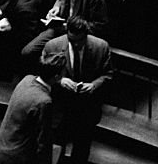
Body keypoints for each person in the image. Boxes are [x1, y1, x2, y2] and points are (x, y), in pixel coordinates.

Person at [44, 17, 114, 164]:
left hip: (86, 108)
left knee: (81, 149)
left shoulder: (100, 47)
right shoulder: (53, 46)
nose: (75, 44)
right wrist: (60, 80)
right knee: (55, 146)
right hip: (61, 107)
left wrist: (94, 85)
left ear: (86, 35)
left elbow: (108, 75)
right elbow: (43, 74)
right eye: (71, 40)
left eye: (79, 41)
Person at [0, 52, 63, 164]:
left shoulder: (26, 80)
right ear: (57, 77)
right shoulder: (44, 102)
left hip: (1, 148)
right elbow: (43, 142)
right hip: (18, 158)